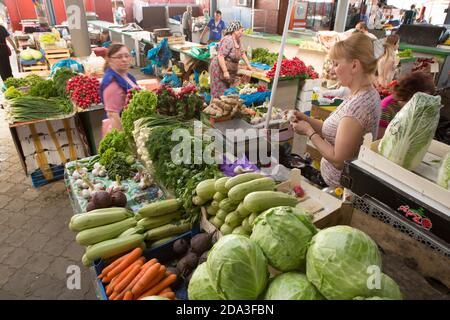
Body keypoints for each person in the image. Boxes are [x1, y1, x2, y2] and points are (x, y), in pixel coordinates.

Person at [288, 33, 381, 187]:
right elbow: (334, 131)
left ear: (354, 66)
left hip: (335, 187)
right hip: (330, 180)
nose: (333, 70)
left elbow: (338, 160)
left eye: (336, 64)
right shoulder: (365, 93)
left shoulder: (357, 107)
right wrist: (306, 119)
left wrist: (309, 132)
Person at [378, 71, 435, 138]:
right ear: (408, 94)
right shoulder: (386, 109)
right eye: (422, 99)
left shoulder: (414, 107)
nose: (424, 103)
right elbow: (379, 139)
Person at [99, 44, 139, 130]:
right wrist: (123, 138)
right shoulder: (112, 83)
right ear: (110, 60)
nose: (124, 59)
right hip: (124, 128)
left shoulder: (125, 75)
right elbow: (113, 115)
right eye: (119, 57)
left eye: (126, 56)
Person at [209, 21, 252, 98]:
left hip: (229, 68)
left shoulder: (238, 40)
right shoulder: (228, 40)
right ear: (235, 31)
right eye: (241, 30)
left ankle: (223, 107)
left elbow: (242, 53)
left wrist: (249, 65)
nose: (242, 33)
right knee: (219, 92)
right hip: (219, 68)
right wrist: (225, 71)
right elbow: (220, 56)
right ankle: (215, 106)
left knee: (226, 92)